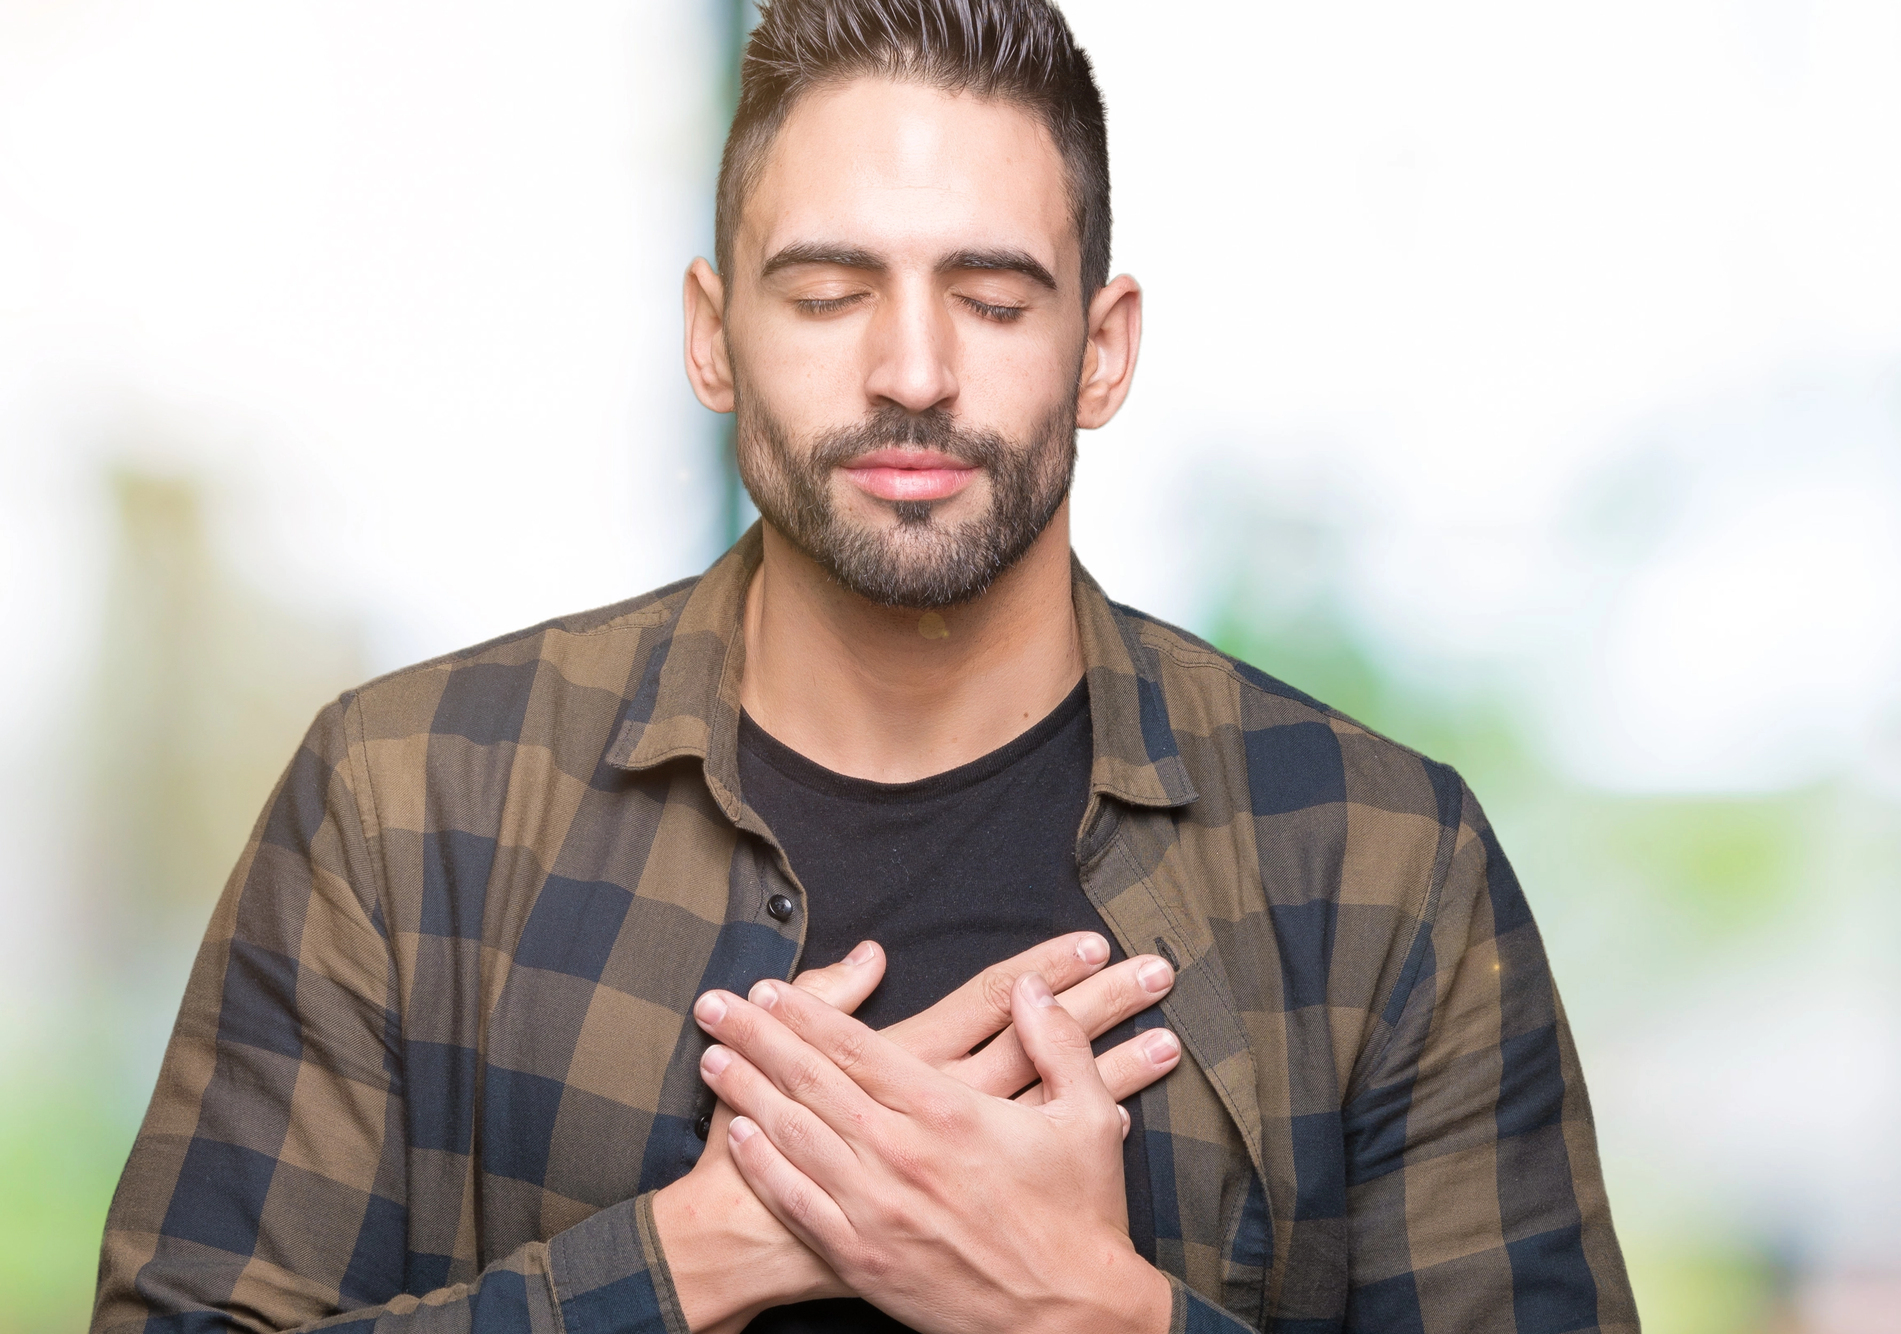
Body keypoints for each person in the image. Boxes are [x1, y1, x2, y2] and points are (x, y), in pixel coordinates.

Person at [93, 1, 1638, 1331]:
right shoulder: (406, 800)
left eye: (991, 296)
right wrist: (693, 1257)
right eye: (831, 292)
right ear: (713, 336)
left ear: (1104, 348)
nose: (912, 370)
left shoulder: (1380, 863)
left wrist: (1083, 1302)